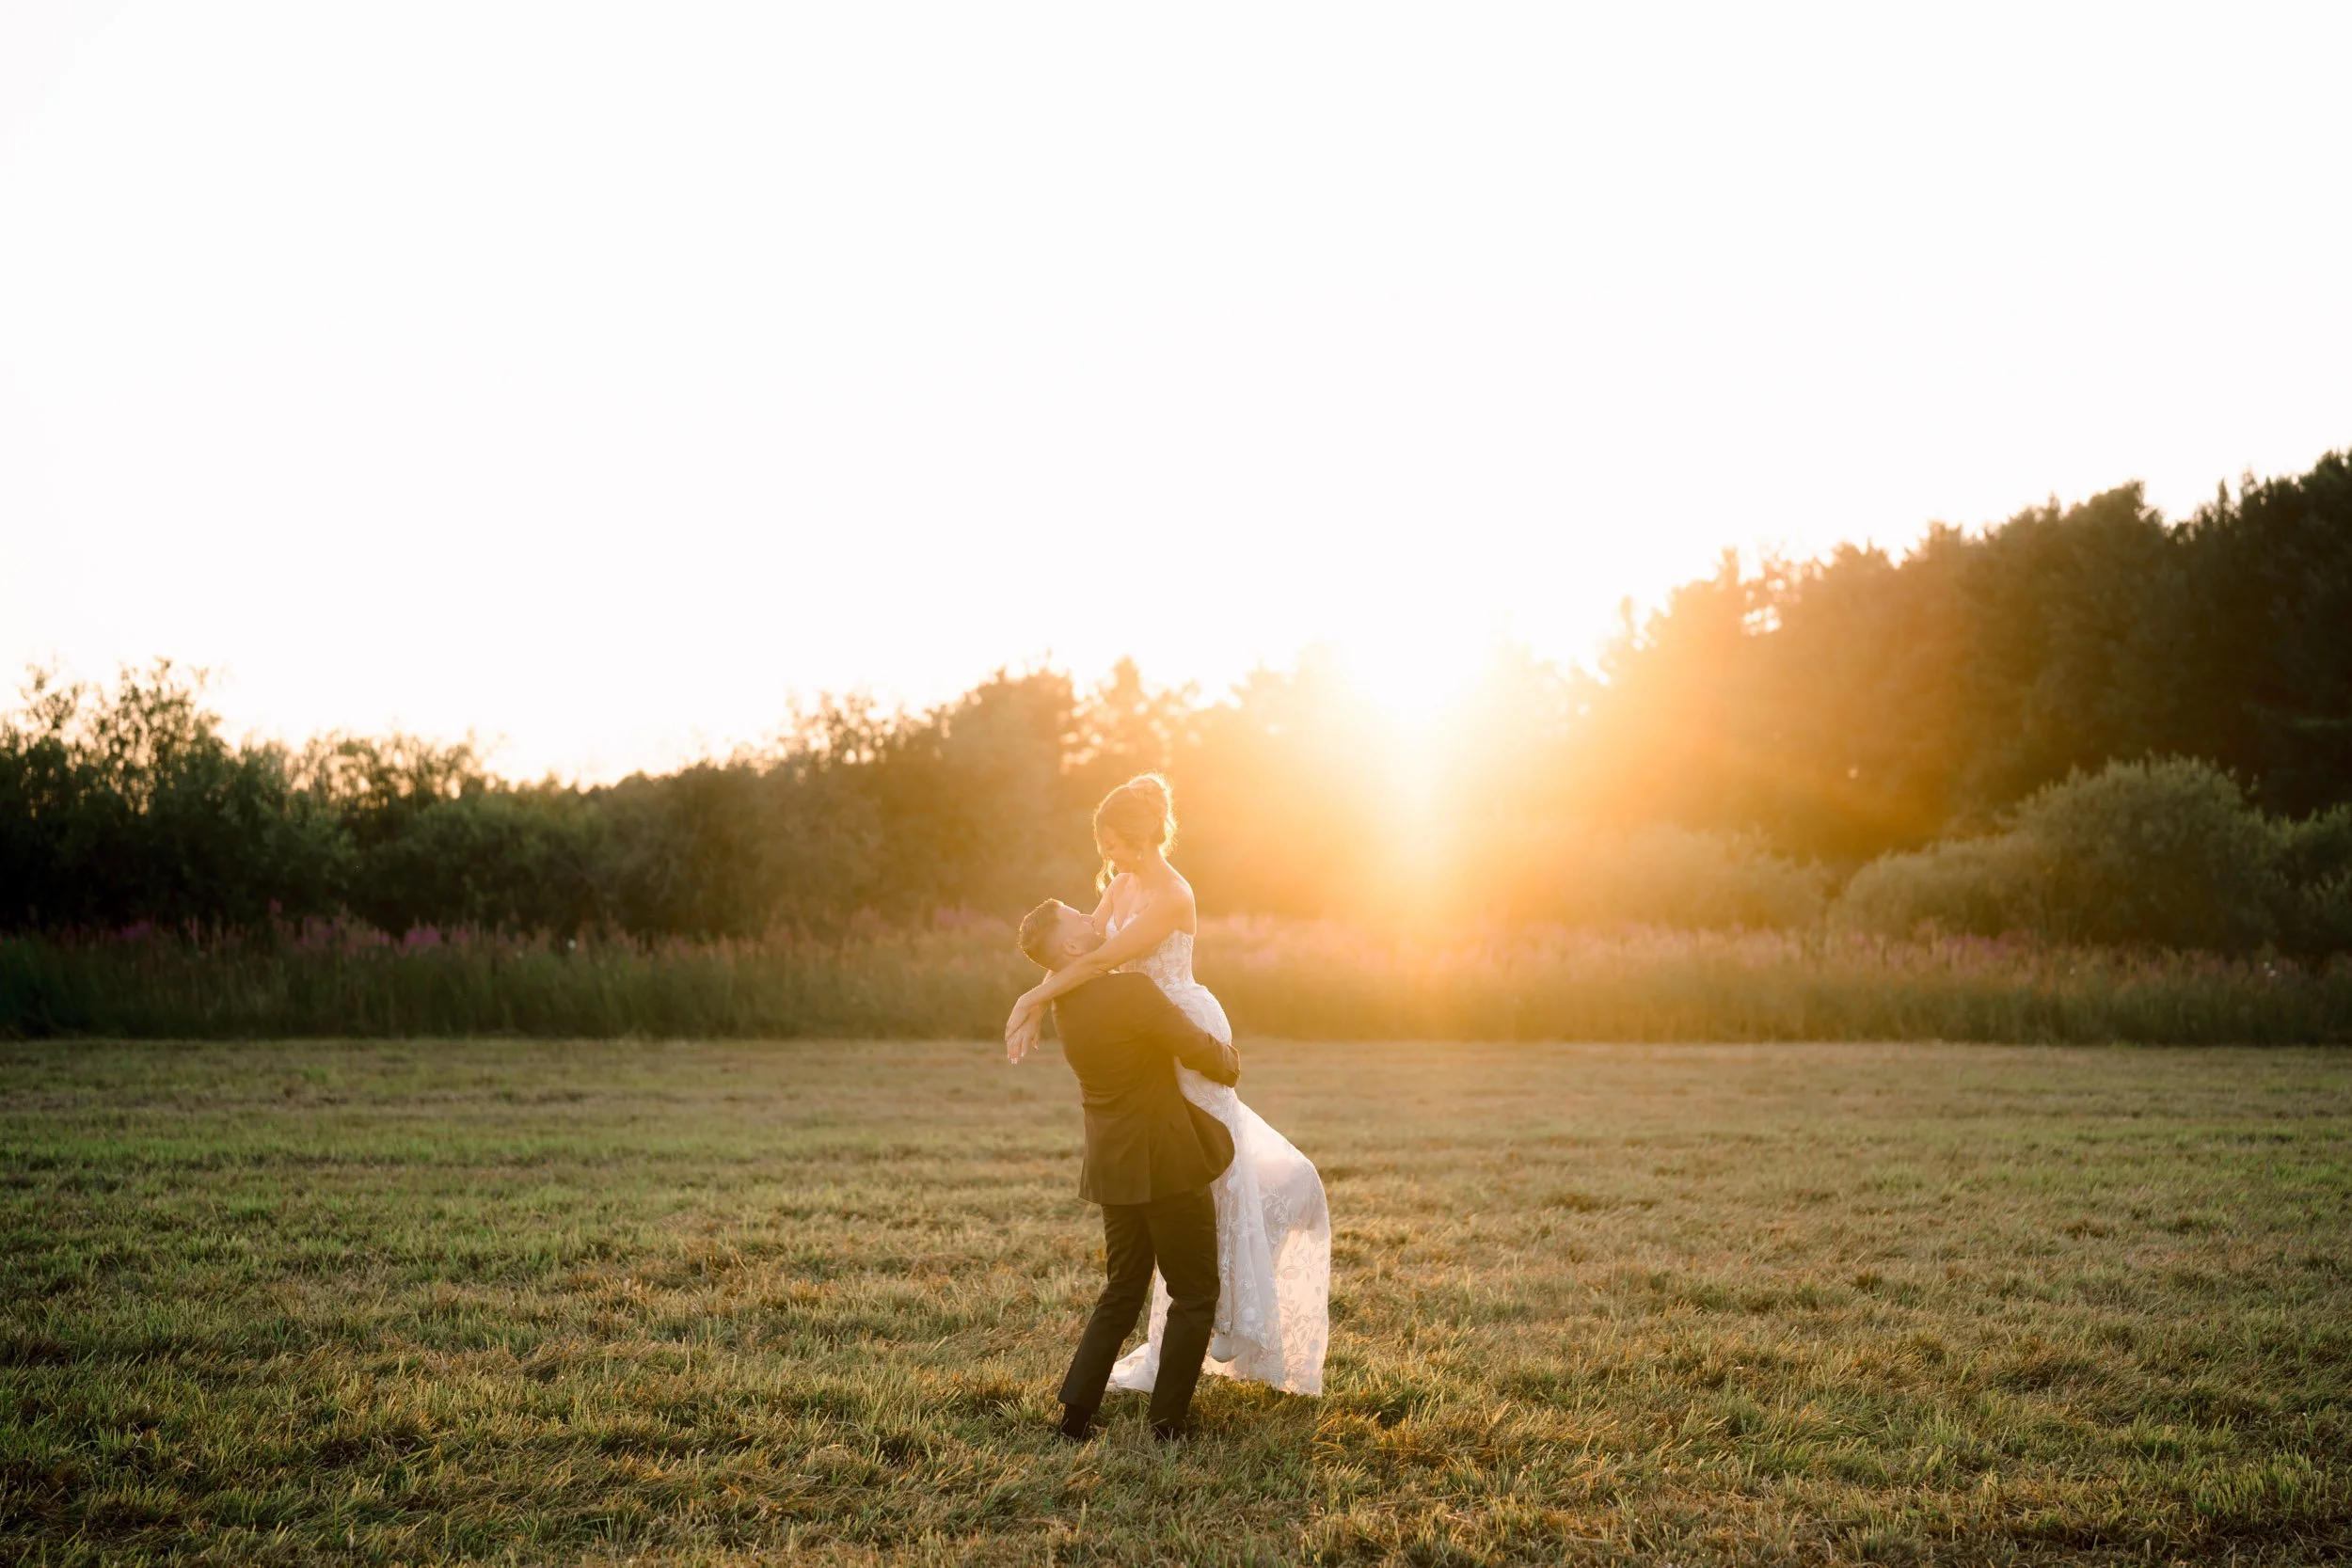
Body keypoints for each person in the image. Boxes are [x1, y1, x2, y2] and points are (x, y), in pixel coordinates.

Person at [1008, 774, 1329, 1397]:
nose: (1108, 860)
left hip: (1178, 1023)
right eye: (1102, 847)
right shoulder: (1121, 882)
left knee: (1210, 1164)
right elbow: (1083, 947)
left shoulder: (1174, 895)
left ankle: (1229, 1316)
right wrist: (1047, 994)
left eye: (1116, 846)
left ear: (1146, 835)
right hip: (1141, 1027)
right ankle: (1189, 1326)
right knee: (1180, 1172)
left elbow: (1099, 959)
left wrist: (1036, 994)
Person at [1016, 896, 1240, 1442]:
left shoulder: (1066, 1004)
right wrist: (1231, 1061)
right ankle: (1167, 1425)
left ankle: (1074, 1416)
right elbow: (1196, 1050)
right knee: (1193, 1292)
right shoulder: (1131, 992)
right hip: (1167, 1160)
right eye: (1081, 919)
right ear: (1071, 946)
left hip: (1113, 1164)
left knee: (1121, 1291)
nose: (1095, 919)